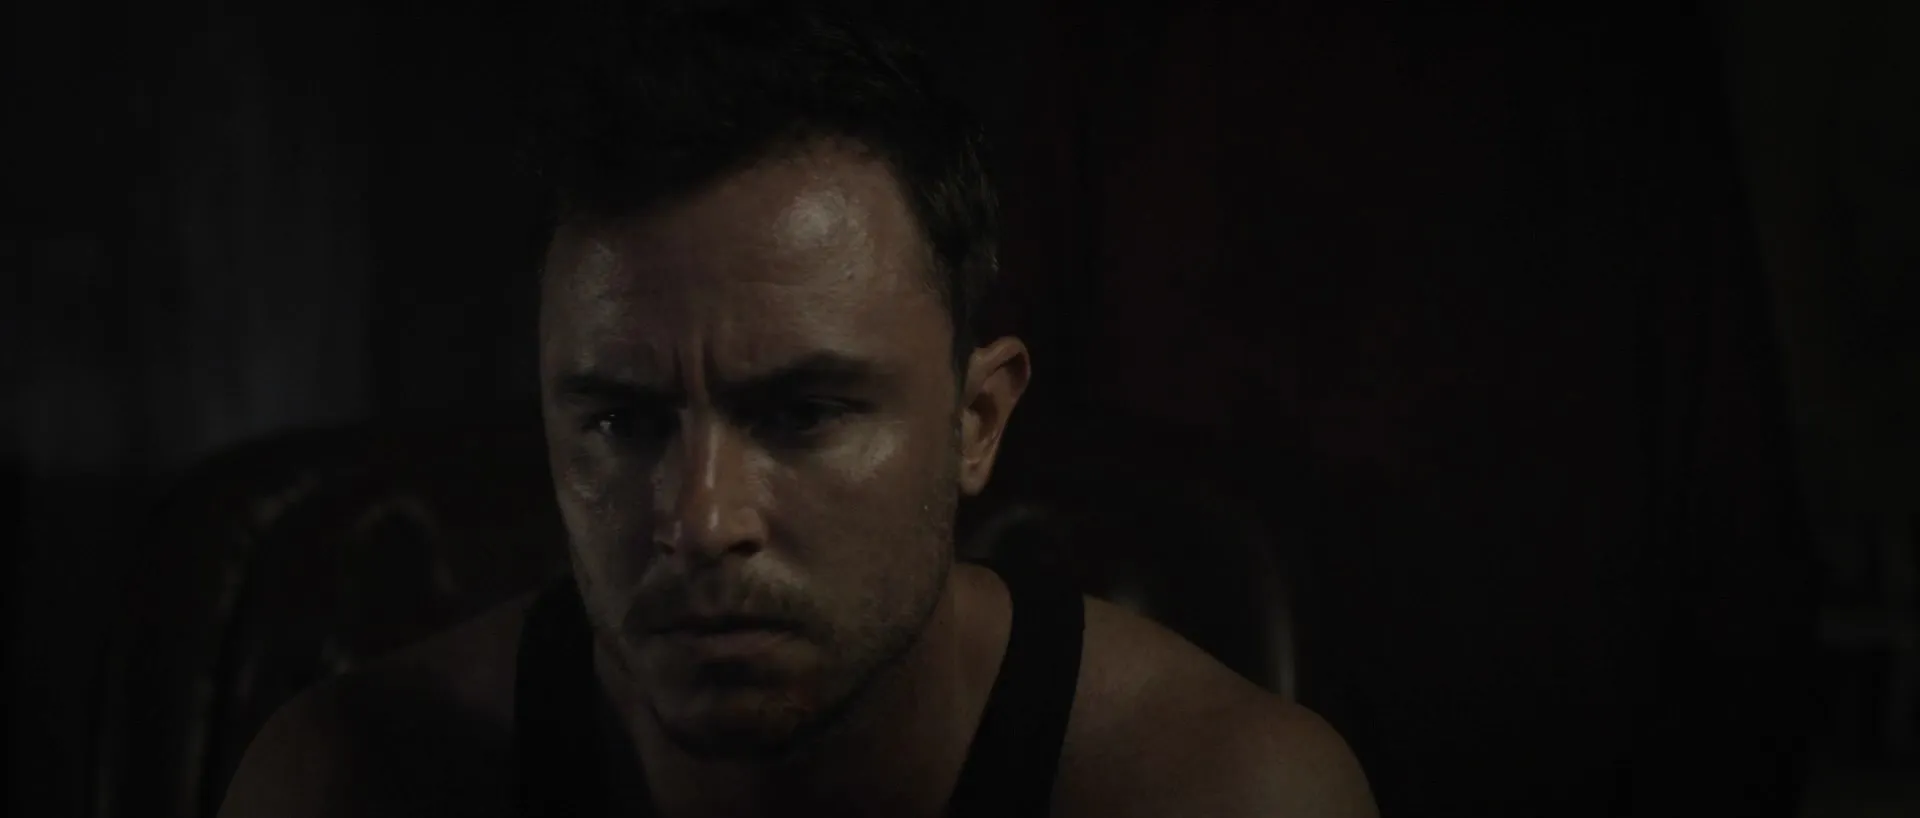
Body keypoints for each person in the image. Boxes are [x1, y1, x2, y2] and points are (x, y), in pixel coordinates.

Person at [217, 3, 1377, 816]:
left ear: (977, 419)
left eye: (804, 411)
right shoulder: (346, 781)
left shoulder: (1219, 793)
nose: (701, 519)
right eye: (623, 421)